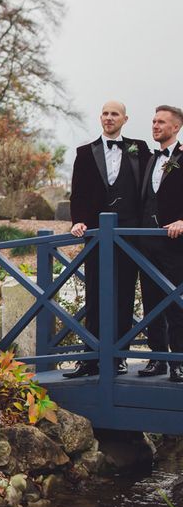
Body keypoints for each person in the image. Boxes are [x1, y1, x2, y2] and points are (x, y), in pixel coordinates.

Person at [64, 101, 151, 378]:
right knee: (95, 294)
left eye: (115, 114)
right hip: (97, 234)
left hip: (129, 234)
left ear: (125, 118)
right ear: (100, 117)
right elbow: (77, 192)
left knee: (125, 294)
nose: (109, 118)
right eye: (105, 113)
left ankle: (119, 357)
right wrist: (78, 221)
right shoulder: (84, 152)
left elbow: (160, 173)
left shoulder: (140, 149)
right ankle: (90, 359)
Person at [137, 105, 183, 382]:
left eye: (161, 122)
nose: (155, 125)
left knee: (175, 300)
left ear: (176, 127)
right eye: (153, 121)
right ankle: (157, 358)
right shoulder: (150, 159)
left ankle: (178, 360)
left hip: (175, 244)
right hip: (147, 243)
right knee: (150, 299)